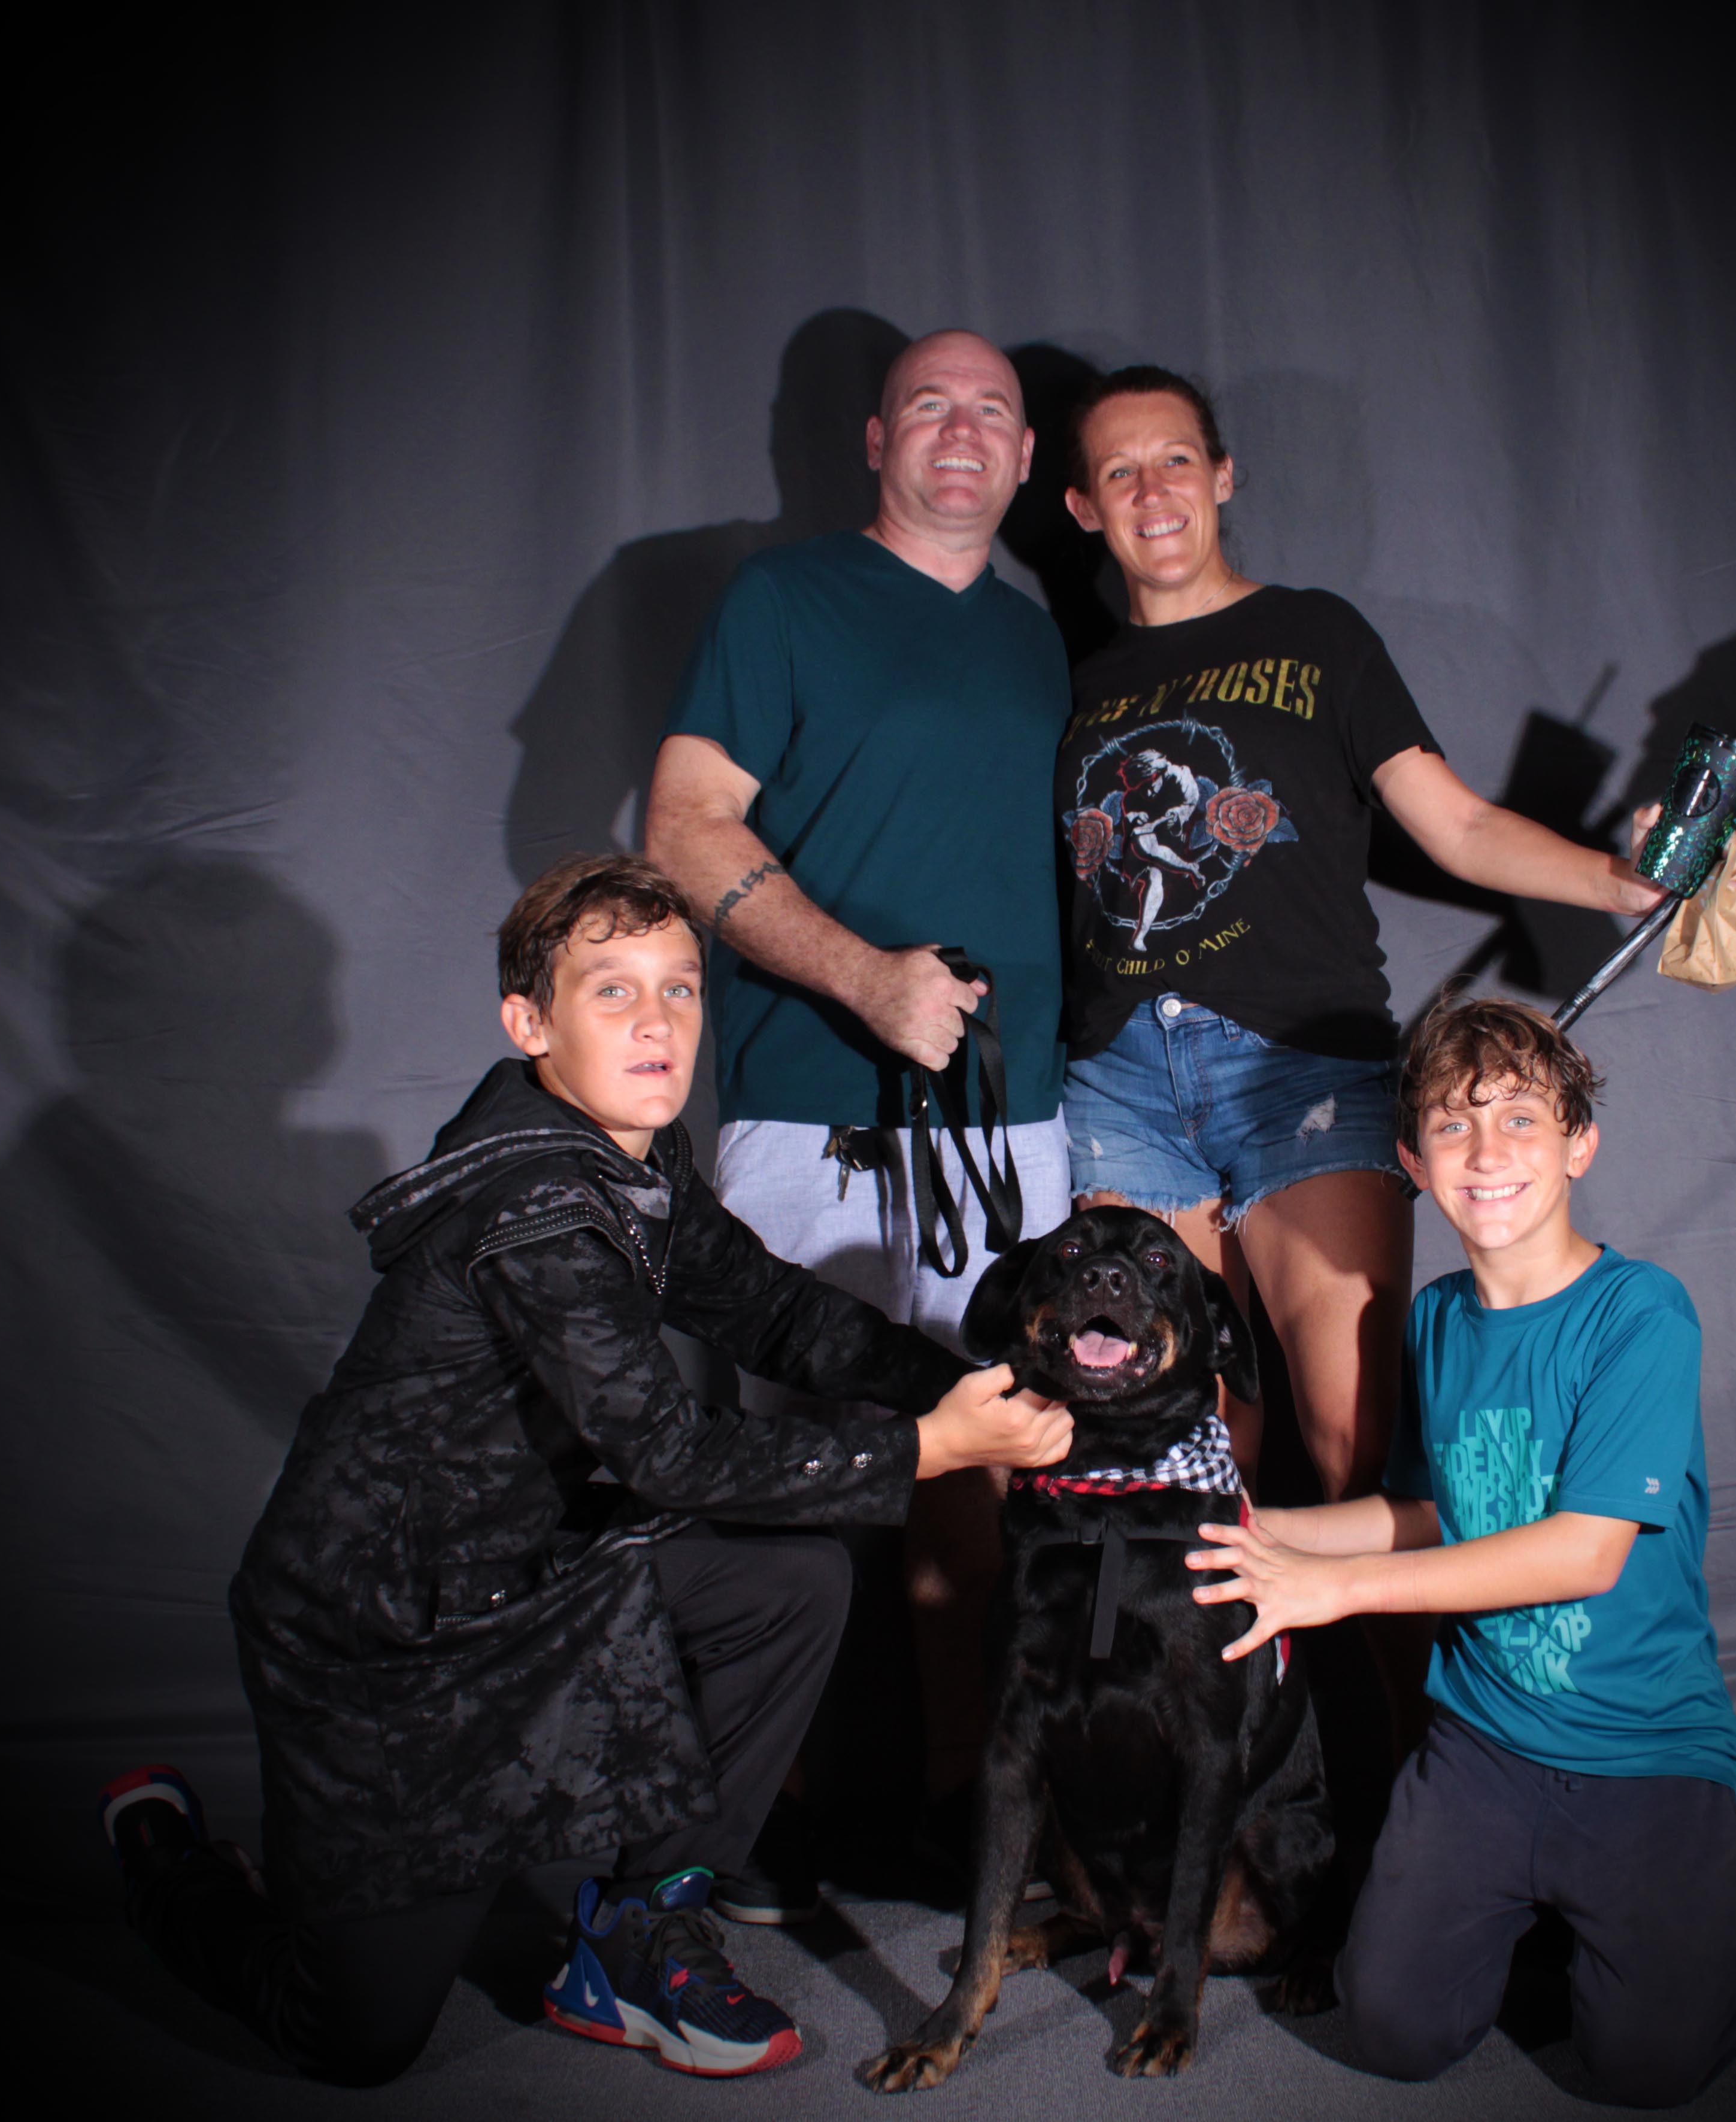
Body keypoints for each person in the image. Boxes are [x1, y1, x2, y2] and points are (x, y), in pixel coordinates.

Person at [99, 853, 1070, 2087]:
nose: (658, 1022)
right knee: (354, 2035)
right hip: (384, 1636)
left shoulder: (629, 1157)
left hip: (533, 1569)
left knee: (788, 1581)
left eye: (679, 988)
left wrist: (969, 1390)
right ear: (531, 1022)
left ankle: (638, 1928)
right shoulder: (534, 1202)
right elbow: (667, 1451)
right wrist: (937, 1446)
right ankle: (168, 1861)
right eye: (613, 991)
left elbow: (773, 1311)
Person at [1056, 366, 1674, 1524]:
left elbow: (1459, 825)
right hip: (1123, 1083)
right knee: (1174, 1451)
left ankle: (1406, 1659)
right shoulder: (1074, 685)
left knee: (1352, 1439)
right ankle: (1204, 1653)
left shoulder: (1316, 635)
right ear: (1085, 506)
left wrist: (1615, 879)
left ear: (1222, 476)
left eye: (1176, 459)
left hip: (1301, 1065)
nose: (1153, 490)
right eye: (1119, 471)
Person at [644, 330, 1074, 1833]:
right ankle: (758, 1824)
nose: (961, 431)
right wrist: (863, 977)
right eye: (927, 406)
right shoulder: (785, 600)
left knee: (988, 1475)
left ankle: (968, 1814)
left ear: (1025, 457)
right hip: (810, 1111)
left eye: (991, 410)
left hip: (1011, 1130)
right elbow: (683, 825)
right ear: (877, 439)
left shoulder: (1045, 643)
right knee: (797, 1477)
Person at [1189, 996, 1736, 2106]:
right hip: (1483, 1747)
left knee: (1648, 2067)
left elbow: (1583, 1555)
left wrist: (1334, 1591)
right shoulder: (1439, 1318)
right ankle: (1517, 1909)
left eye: (1520, 1120)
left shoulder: (1642, 1313)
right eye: (1453, 1125)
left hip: (1642, 1755)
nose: (1487, 1153)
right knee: (1392, 2028)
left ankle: (1650, 1908)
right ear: (1412, 1161)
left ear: (1580, 1144)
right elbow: (1428, 1512)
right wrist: (1246, 1529)